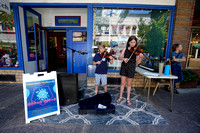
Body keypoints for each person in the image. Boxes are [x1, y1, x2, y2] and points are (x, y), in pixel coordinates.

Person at [117, 36, 143, 106]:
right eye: (131, 42)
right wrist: (123, 59)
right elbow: (119, 57)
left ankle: (128, 99)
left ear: (136, 43)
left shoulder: (137, 51)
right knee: (122, 83)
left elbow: (137, 62)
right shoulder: (125, 49)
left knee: (129, 84)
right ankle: (120, 97)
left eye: (134, 42)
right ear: (129, 42)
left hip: (131, 68)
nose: (133, 44)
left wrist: (140, 58)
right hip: (124, 67)